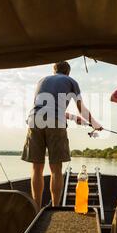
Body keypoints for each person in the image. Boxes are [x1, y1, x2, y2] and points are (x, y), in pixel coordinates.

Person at [21, 61, 102, 208]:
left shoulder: (42, 80)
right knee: (56, 169)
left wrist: (71, 118)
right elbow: (81, 109)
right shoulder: (71, 81)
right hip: (55, 121)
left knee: (36, 169)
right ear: (68, 72)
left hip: (34, 119)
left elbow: (46, 107)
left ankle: (36, 208)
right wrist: (95, 123)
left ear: (54, 70)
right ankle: (55, 207)